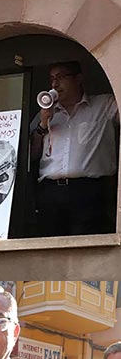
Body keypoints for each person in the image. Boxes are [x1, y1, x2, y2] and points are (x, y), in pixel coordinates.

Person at [29, 61, 118, 236]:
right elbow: (32, 154)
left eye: (61, 77)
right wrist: (42, 124)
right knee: (50, 245)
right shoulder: (45, 113)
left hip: (90, 189)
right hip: (51, 191)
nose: (55, 84)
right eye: (52, 79)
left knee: (88, 244)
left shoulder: (103, 105)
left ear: (78, 79)